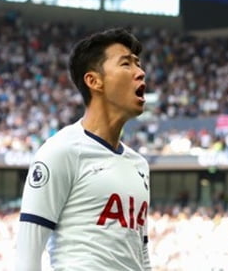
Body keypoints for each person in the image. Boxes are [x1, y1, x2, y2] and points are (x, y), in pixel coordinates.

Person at [15, 28, 151, 270]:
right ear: (94, 81)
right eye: (126, 64)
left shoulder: (139, 165)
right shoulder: (61, 151)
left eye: (138, 64)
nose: (141, 73)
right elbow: (27, 256)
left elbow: (141, 254)